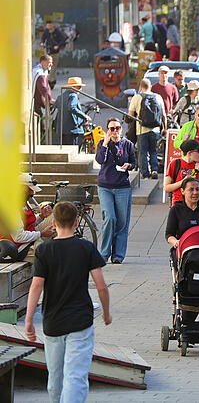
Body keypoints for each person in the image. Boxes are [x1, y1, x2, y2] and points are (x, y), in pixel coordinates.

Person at [25, 202, 111, 403]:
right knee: (76, 376)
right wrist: (106, 313)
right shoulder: (86, 247)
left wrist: (29, 319)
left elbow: (36, 286)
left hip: (53, 322)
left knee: (55, 377)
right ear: (76, 222)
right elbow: (101, 286)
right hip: (80, 321)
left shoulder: (44, 250)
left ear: (53, 223)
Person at [164, 177, 199, 322]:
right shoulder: (176, 209)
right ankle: (185, 318)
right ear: (182, 191)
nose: (195, 193)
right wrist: (176, 242)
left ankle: (189, 319)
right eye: (191, 190)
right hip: (184, 252)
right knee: (187, 281)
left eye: (197, 189)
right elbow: (168, 234)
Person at [95, 118, 136, 264]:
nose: (115, 131)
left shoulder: (128, 144)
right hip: (105, 186)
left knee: (122, 222)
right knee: (110, 218)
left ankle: (118, 255)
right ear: (107, 131)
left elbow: (133, 162)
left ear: (121, 129)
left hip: (122, 187)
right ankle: (105, 253)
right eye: (111, 129)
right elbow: (100, 160)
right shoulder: (102, 144)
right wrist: (105, 143)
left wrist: (129, 166)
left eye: (117, 128)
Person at [0, 175, 56, 261]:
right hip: (18, 247)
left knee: (55, 215)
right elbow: (18, 237)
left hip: (30, 235)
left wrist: (42, 216)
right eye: (30, 189)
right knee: (49, 255)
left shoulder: (23, 201)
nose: (33, 193)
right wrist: (41, 234)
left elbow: (27, 224)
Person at [128, 78, 167, 180]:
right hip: (155, 129)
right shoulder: (158, 97)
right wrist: (165, 128)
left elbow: (130, 115)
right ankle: (154, 169)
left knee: (143, 152)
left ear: (141, 87)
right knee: (153, 151)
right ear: (151, 87)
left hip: (141, 130)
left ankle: (145, 174)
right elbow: (163, 115)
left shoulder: (137, 97)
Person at [164, 139, 199, 206]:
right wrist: (183, 182)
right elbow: (167, 188)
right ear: (189, 153)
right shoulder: (175, 164)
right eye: (198, 151)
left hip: (196, 205)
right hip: (179, 205)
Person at [56, 77, 91, 146]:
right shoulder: (73, 96)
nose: (81, 89)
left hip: (62, 129)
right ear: (73, 87)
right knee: (73, 149)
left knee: (65, 149)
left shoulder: (60, 96)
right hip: (72, 130)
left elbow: (56, 106)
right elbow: (72, 107)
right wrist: (85, 116)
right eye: (79, 87)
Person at [40, 20, 68, 87]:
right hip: (48, 50)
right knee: (49, 66)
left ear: (52, 25)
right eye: (47, 26)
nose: (48, 27)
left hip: (55, 52)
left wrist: (58, 46)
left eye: (50, 25)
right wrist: (42, 43)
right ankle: (52, 80)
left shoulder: (57, 31)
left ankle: (50, 80)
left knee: (53, 66)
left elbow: (63, 39)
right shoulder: (46, 31)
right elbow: (43, 38)